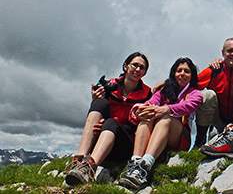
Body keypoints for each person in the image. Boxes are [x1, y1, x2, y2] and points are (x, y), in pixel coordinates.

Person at [65, 52, 152, 186]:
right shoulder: (110, 87)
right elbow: (98, 110)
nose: (138, 70)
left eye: (142, 67)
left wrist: (109, 124)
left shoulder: (147, 93)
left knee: (112, 122)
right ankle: (79, 159)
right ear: (125, 66)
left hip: (125, 142)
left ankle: (89, 167)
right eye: (135, 65)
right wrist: (94, 99)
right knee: (100, 103)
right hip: (103, 135)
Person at [118, 57, 203, 190]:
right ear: (173, 73)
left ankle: (145, 166)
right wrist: (141, 109)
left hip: (179, 136)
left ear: (191, 75)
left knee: (165, 118)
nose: (182, 74)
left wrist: (166, 109)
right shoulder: (163, 91)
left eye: (186, 71)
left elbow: (187, 107)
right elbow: (151, 102)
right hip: (157, 129)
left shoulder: (196, 94)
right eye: (178, 70)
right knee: (147, 116)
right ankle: (135, 162)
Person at [194, 38, 233, 146]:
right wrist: (168, 83)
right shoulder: (214, 70)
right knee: (208, 95)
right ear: (223, 53)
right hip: (218, 117)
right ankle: (200, 138)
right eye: (229, 50)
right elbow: (191, 85)